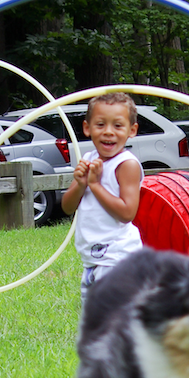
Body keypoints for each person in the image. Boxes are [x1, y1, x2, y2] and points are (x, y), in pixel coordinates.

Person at [61, 92, 143, 301]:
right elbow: (67, 207)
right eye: (100, 125)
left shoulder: (126, 165)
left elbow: (127, 213)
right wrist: (80, 184)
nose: (108, 132)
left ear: (131, 130)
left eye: (117, 125)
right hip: (93, 261)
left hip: (118, 259)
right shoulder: (89, 159)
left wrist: (95, 185)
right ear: (87, 128)